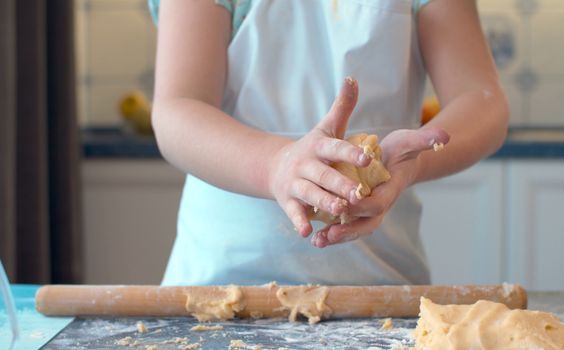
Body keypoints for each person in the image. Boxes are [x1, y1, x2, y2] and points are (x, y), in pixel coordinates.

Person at [148, 0, 508, 286]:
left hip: (379, 287)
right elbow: (177, 109)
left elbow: (482, 100)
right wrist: (275, 164)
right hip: (221, 283)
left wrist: (414, 162)